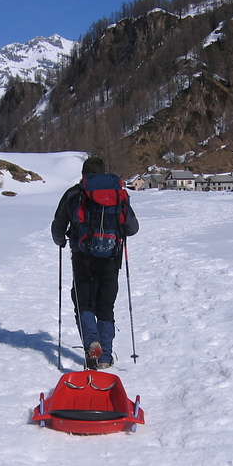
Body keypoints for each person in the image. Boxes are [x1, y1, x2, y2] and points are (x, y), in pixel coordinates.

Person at [51, 156, 139, 369]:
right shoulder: (119, 194)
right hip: (111, 258)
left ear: (84, 174)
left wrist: (61, 240)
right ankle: (106, 357)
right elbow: (132, 228)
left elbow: (58, 227)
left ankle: (92, 343)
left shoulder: (74, 193)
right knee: (105, 305)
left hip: (83, 257)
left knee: (84, 302)